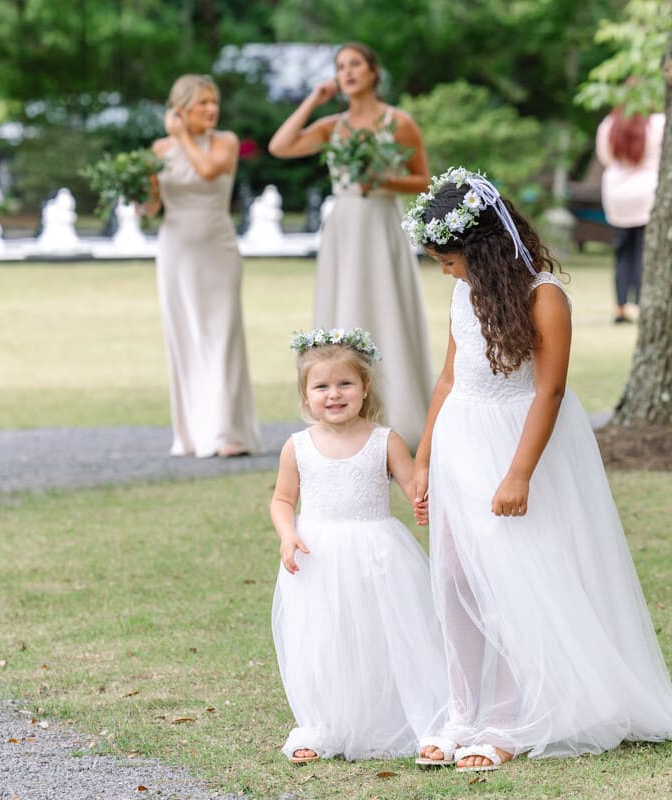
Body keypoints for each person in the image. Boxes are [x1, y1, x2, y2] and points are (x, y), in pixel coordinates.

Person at [404, 168, 672, 772]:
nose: (445, 271)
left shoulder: (542, 295)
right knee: (455, 578)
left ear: (481, 249)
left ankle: (507, 719)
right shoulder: (462, 292)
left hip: (517, 439)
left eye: (449, 260)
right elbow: (450, 376)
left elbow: (548, 391)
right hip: (460, 439)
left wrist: (518, 472)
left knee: (509, 581)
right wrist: (424, 457)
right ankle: (460, 710)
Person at [269, 328, 447, 763]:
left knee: (386, 634)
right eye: (322, 387)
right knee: (324, 639)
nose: (334, 394)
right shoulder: (297, 447)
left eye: (345, 383)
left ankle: (419, 721)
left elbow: (412, 485)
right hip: (319, 556)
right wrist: (288, 534)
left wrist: (422, 501)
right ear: (305, 394)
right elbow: (282, 499)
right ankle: (324, 725)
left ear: (365, 386)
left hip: (377, 552)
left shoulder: (385, 440)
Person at [267, 42, 434, 446]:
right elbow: (281, 146)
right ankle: (343, 420)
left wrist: (383, 182)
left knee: (386, 308)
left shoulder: (399, 123)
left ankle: (403, 417)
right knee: (345, 309)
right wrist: (314, 99)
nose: (347, 73)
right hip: (343, 228)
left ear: (374, 72)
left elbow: (423, 179)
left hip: (381, 222)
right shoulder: (333, 126)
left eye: (355, 64)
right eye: (340, 67)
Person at [143, 74, 260, 458]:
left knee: (222, 335)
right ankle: (193, 433)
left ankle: (228, 433)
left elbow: (210, 171)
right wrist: (137, 188)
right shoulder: (159, 150)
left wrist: (183, 138)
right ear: (180, 109)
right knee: (185, 334)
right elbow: (151, 209)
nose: (211, 110)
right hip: (176, 251)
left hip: (217, 248)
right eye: (202, 104)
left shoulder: (223, 142)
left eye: (214, 102)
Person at [595, 106, 665, 323]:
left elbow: (605, 157)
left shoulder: (609, 124)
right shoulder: (659, 122)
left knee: (622, 252)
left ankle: (620, 306)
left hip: (617, 193)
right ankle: (641, 303)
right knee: (644, 251)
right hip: (647, 191)